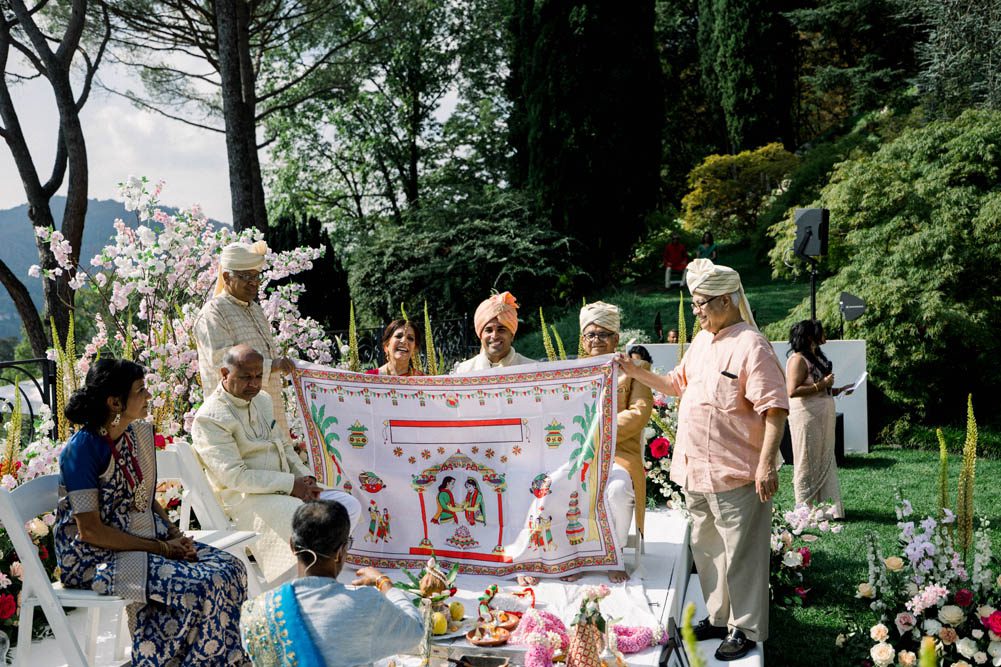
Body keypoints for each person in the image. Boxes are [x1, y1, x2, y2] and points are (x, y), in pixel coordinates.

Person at [615, 258, 788, 661]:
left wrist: (765, 465)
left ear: (726, 301)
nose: (696, 312)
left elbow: (775, 409)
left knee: (741, 554)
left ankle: (745, 629)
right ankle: (718, 615)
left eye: (701, 304)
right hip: (696, 471)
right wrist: (635, 371)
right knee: (707, 549)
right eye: (693, 304)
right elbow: (675, 385)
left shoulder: (751, 345)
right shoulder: (701, 343)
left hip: (739, 472)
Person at [54, 359, 250, 666]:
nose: (148, 396)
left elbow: (143, 496)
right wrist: (162, 549)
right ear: (114, 402)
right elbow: (90, 531)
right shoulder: (83, 449)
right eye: (140, 390)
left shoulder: (130, 436)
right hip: (94, 558)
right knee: (200, 585)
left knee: (231, 569)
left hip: (141, 540)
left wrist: (175, 535)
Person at [191, 345, 361, 583]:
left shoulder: (262, 400)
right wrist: (292, 485)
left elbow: (284, 446)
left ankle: (316, 578)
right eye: (245, 377)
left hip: (286, 487)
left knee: (346, 505)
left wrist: (307, 480)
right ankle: (296, 585)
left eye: (258, 376)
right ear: (224, 374)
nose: (253, 383)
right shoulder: (210, 417)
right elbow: (235, 477)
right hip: (245, 499)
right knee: (308, 519)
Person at [241, 500, 424, 666]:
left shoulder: (257, 610)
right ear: (340, 552)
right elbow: (415, 630)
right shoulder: (366, 605)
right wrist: (384, 583)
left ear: (292, 545)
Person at [579, 301, 653, 584]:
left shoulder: (635, 369)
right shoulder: (573, 371)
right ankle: (574, 554)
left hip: (619, 453)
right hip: (578, 455)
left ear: (615, 338)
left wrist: (598, 433)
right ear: (583, 340)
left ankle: (615, 554)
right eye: (590, 335)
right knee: (552, 485)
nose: (596, 340)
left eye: (602, 334)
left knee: (618, 490)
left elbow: (639, 413)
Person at [194, 240, 296, 438]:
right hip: (237, 420)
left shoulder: (255, 309)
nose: (254, 283)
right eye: (246, 276)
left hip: (269, 411)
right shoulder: (213, 313)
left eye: (256, 276)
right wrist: (272, 365)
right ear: (226, 277)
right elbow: (221, 363)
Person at [786, 320, 850, 518]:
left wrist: (838, 390)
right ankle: (805, 507)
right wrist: (821, 385)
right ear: (809, 337)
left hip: (822, 416)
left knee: (824, 457)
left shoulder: (816, 357)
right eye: (820, 333)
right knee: (807, 459)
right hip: (806, 417)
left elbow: (821, 387)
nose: (825, 336)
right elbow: (792, 391)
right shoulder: (797, 360)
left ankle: (827, 509)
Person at [454, 291, 534, 372]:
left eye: (501, 330)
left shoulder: (532, 370)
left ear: (512, 335)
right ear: (480, 336)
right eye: (489, 330)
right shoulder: (463, 371)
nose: (495, 336)